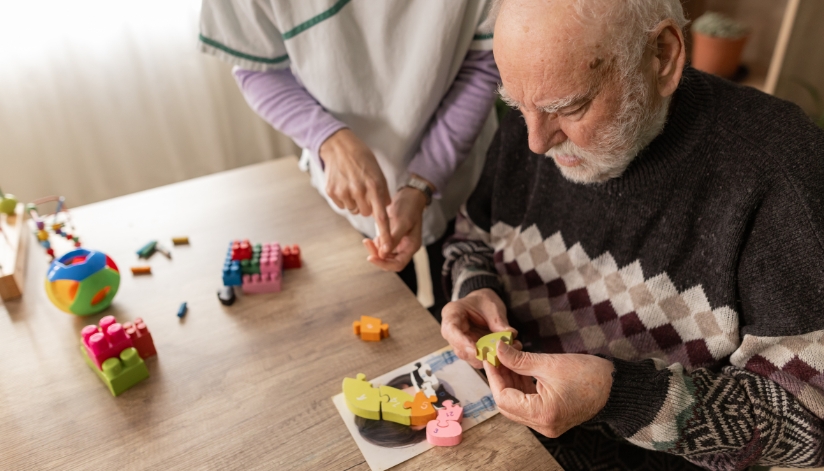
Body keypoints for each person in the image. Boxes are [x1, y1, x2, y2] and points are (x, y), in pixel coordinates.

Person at [439, 0, 824, 469]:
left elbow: (808, 423)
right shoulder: (540, 111)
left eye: (571, 107)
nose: (536, 143)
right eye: (517, 107)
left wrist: (623, 397)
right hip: (497, 443)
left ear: (663, 55)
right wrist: (475, 286)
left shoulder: (779, 167)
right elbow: (469, 237)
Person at [198, 1, 501, 318]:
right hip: (347, 200)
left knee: (460, 311)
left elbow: (484, 62)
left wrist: (422, 182)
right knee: (391, 314)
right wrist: (327, 138)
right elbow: (257, 67)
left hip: (458, 167)